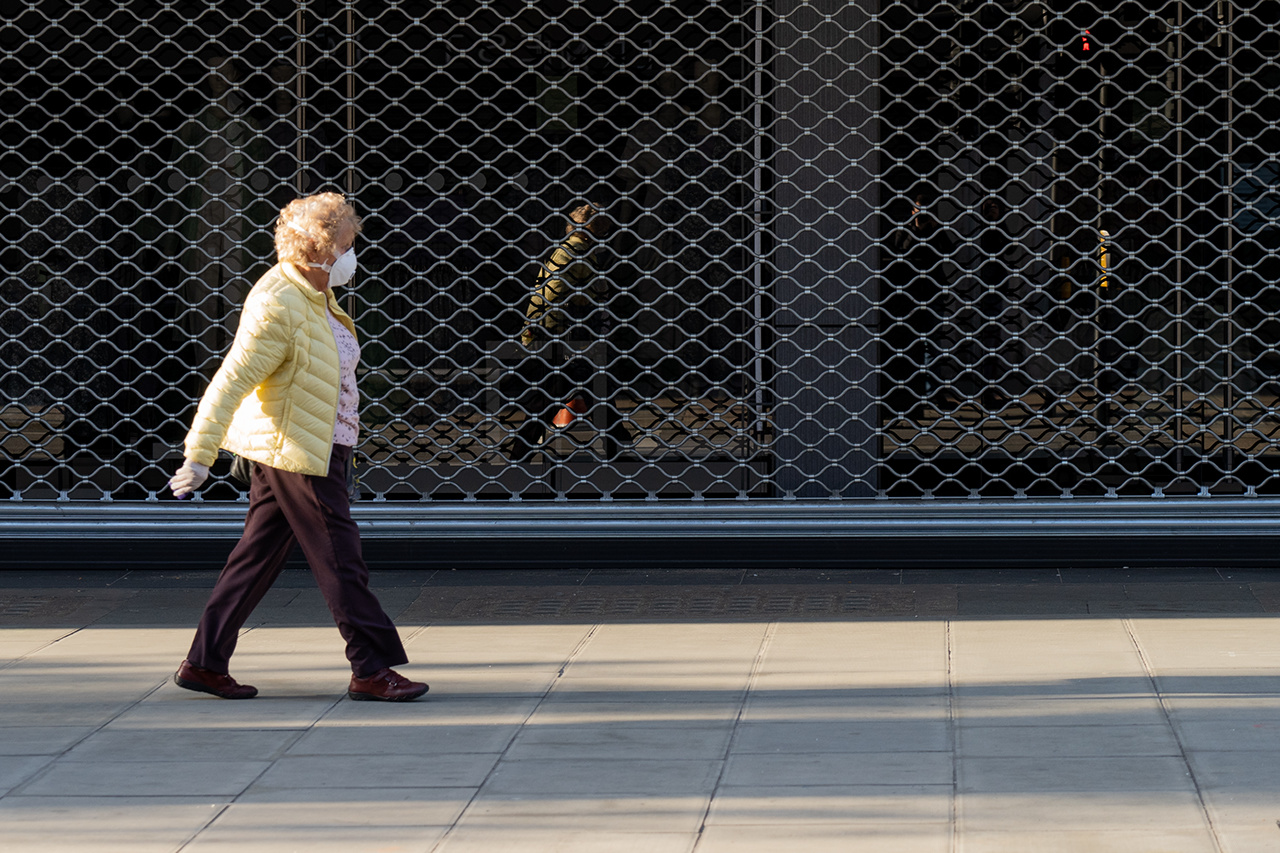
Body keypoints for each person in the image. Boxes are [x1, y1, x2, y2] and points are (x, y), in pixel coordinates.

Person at [167, 192, 427, 702]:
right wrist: (200, 455)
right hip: (299, 453)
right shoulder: (278, 302)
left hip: (312, 445)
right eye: (349, 246)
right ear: (324, 249)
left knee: (255, 558)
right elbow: (230, 380)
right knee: (340, 558)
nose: (354, 256)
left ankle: (203, 664)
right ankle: (371, 669)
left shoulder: (313, 292)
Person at [510, 202, 634, 457]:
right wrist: (540, 331)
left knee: (587, 390)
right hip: (565, 337)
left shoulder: (572, 249)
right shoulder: (577, 252)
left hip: (564, 335)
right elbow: (553, 295)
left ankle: (617, 440)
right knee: (559, 396)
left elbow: (548, 292)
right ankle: (616, 440)